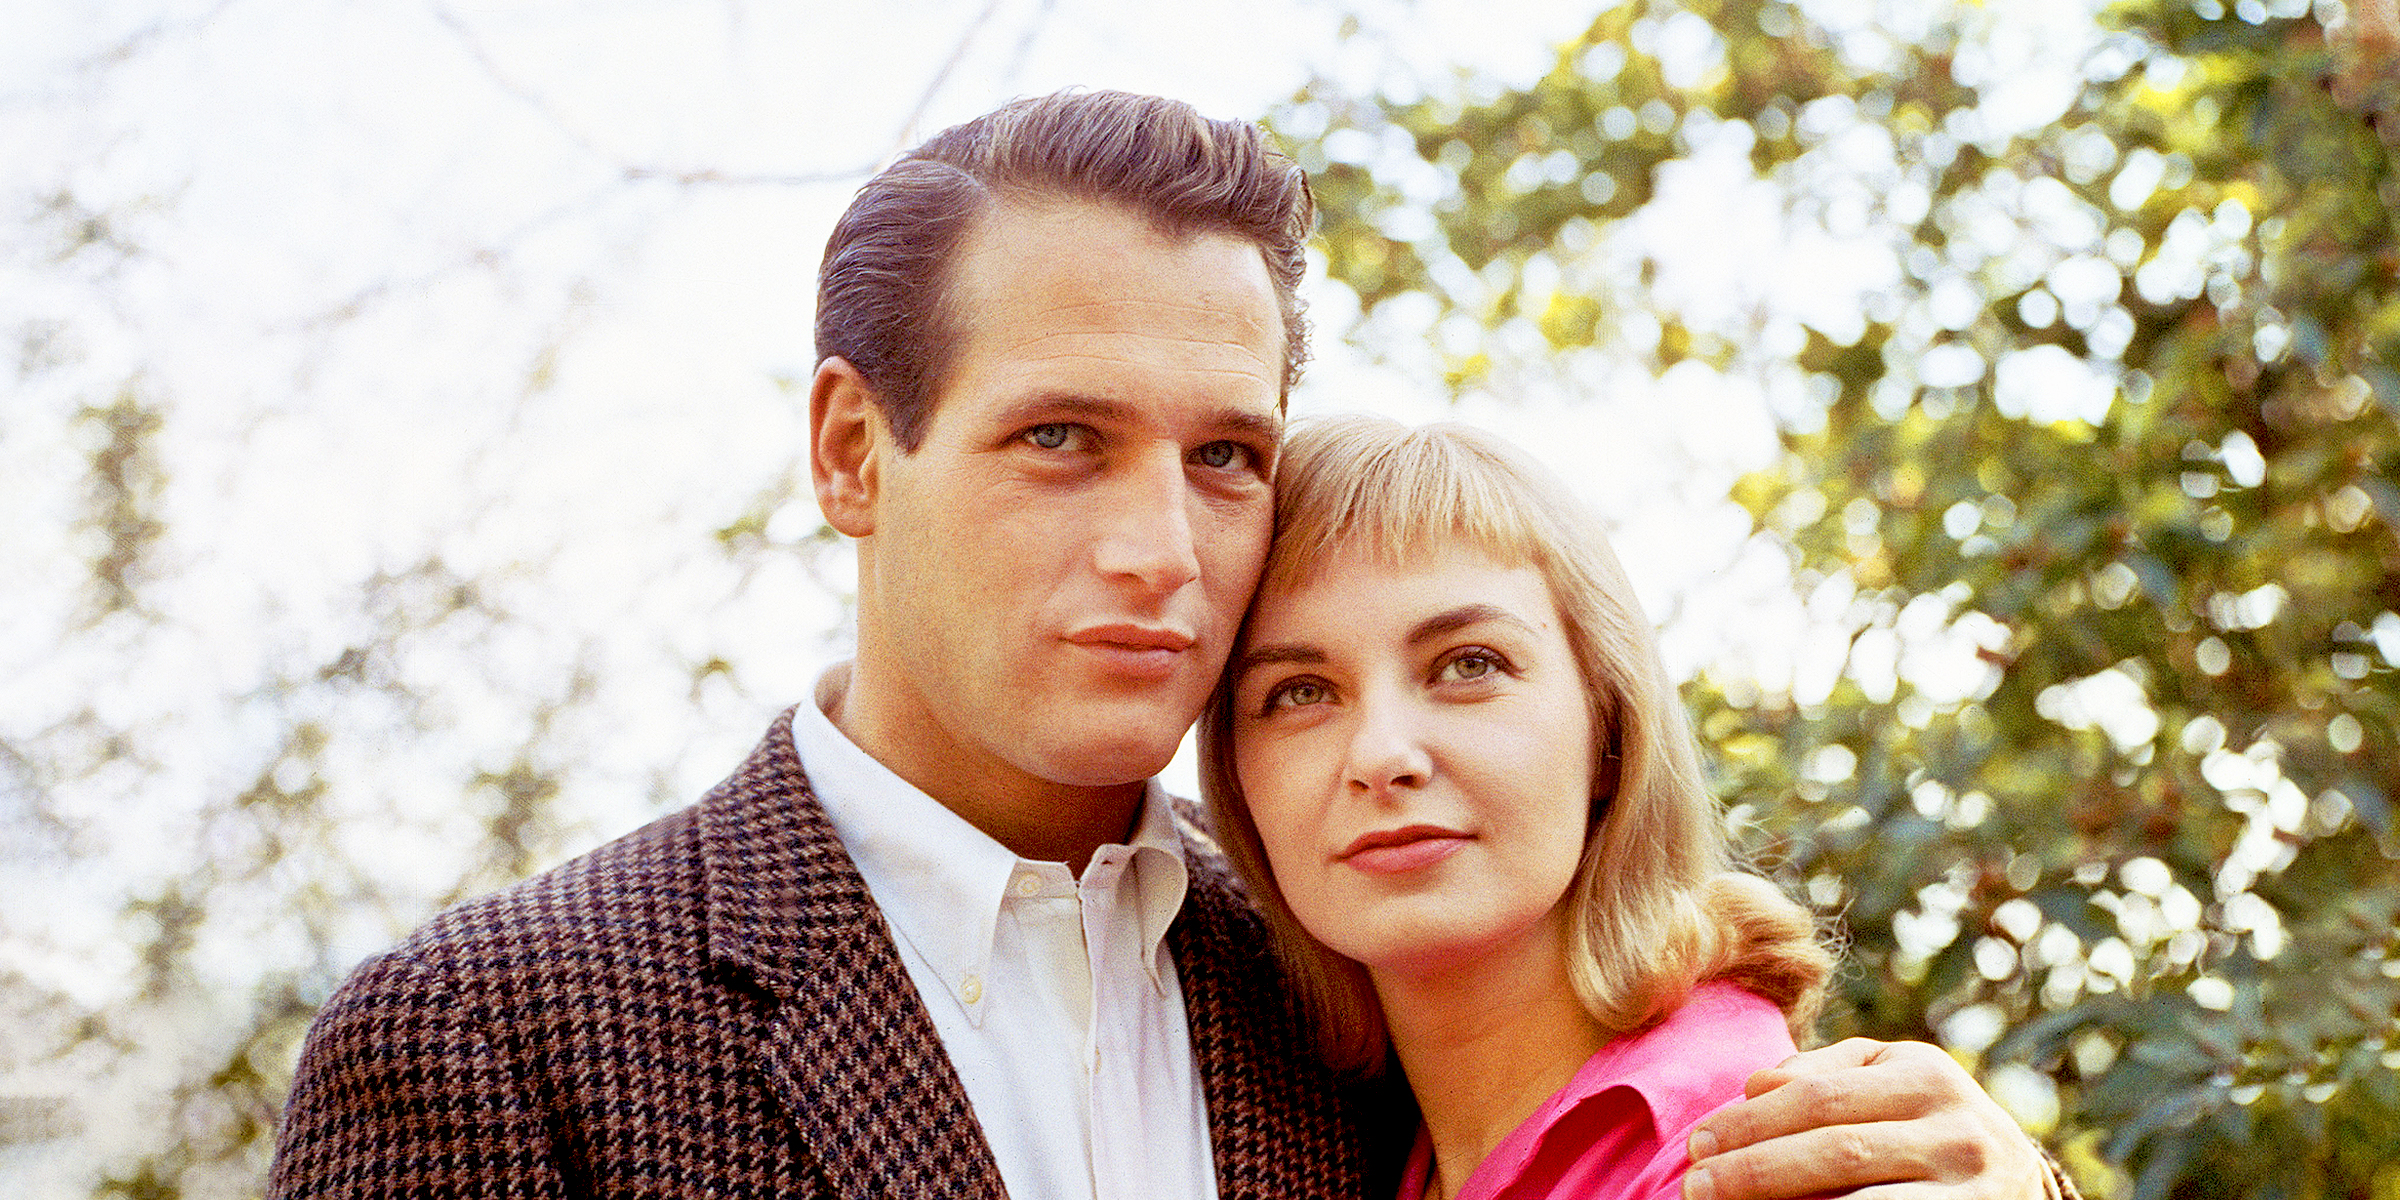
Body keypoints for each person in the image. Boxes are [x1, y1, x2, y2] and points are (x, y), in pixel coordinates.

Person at [268, 90, 2069, 1200]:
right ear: (848, 453)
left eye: (1224, 458)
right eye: (1061, 438)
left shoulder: (1351, 980)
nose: (1160, 549)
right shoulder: (495, 1033)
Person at [1201, 416, 2066, 1200]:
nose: (1383, 754)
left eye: (1469, 665)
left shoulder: (1772, 1156)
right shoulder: (1336, 1131)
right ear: (1237, 779)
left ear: (1608, 731)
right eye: (1300, 690)